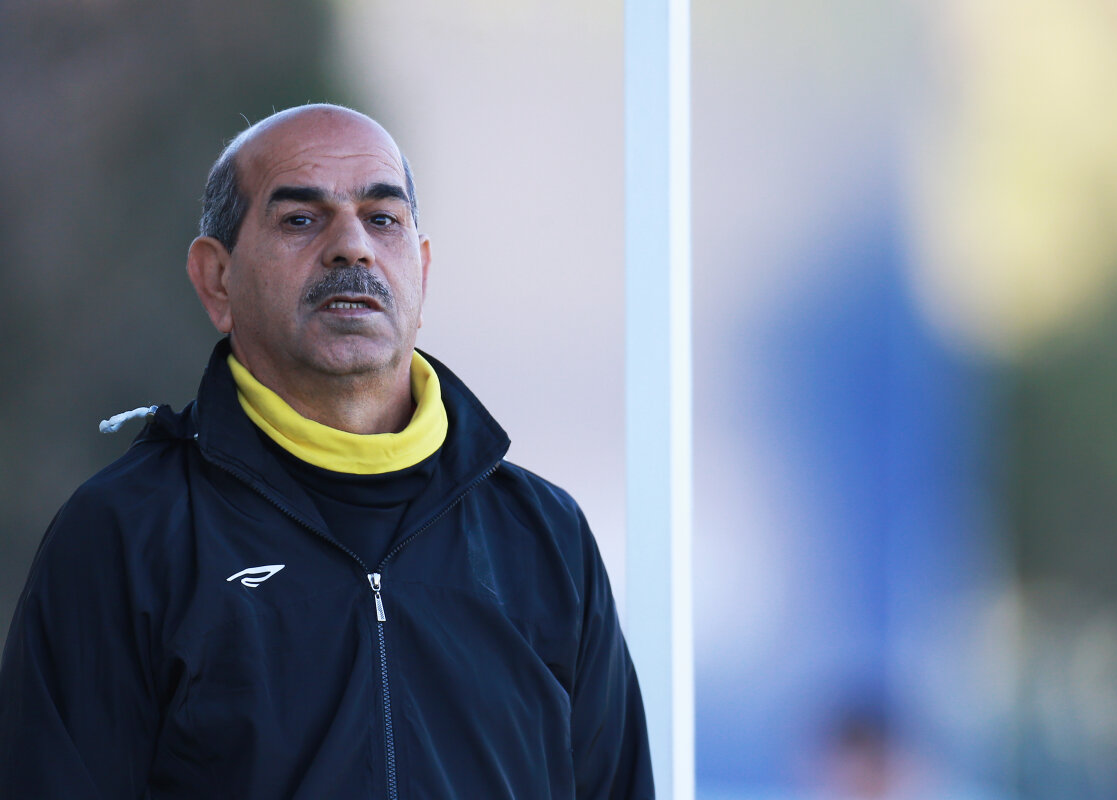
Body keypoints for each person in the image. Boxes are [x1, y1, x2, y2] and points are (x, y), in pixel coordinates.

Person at [0, 104, 653, 799]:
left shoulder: (546, 538)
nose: (352, 247)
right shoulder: (126, 535)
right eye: (301, 219)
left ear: (422, 270)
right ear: (217, 280)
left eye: (383, 218)